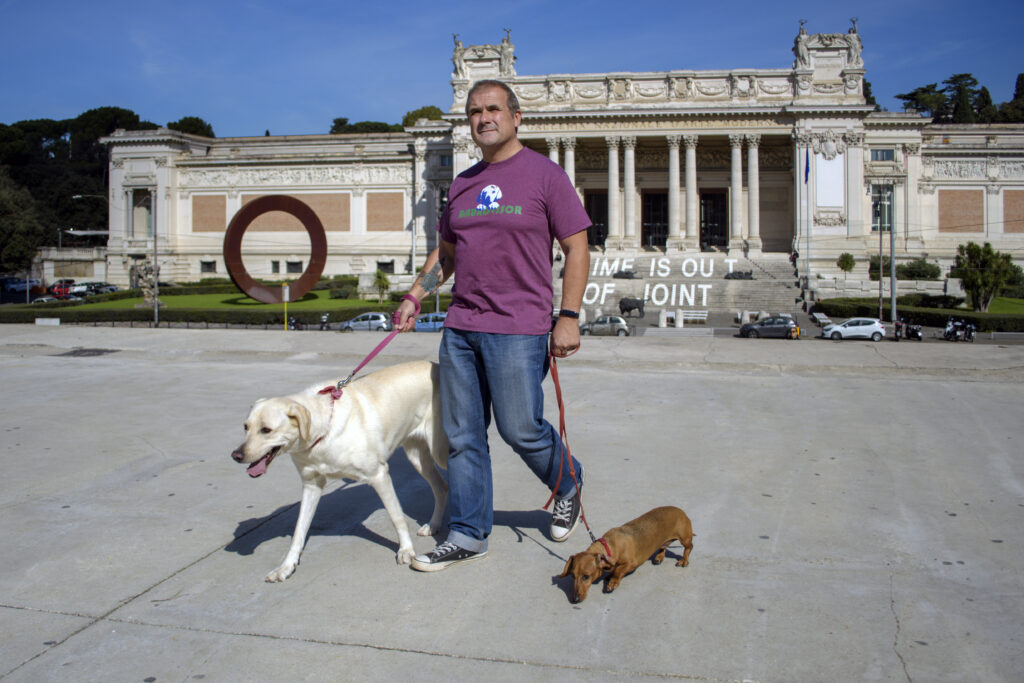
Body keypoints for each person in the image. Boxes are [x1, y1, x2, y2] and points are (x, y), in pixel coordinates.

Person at [393, 79, 592, 572]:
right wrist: (417, 293)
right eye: (475, 112)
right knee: (462, 435)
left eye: (493, 109)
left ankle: (567, 480)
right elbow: (448, 254)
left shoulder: (545, 176)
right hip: (461, 327)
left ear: (516, 116)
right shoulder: (461, 185)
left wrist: (567, 316)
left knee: (521, 428)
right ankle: (468, 532)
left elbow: (577, 246)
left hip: (520, 328)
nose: (484, 118)